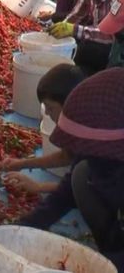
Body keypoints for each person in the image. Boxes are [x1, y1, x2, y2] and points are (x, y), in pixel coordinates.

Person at [47, 68, 124, 269]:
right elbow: (63, 196)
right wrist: (20, 227)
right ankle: (113, 252)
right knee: (82, 176)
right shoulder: (106, 153)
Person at [0, 64, 86, 205]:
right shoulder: (80, 120)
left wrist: (39, 187)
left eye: (50, 107)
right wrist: (21, 164)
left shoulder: (94, 136)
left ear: (70, 104)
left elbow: (84, 187)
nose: (47, 113)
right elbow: (67, 156)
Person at [50, 0, 124, 75]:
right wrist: (61, 28)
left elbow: (112, 35)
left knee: (85, 51)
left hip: (116, 47)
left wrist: (75, 30)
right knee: (73, 41)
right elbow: (77, 14)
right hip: (98, 34)